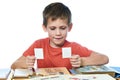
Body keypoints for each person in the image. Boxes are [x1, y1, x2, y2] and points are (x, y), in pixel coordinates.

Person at [11, 2, 109, 70]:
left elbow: (104, 58)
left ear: (69, 27)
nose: (58, 33)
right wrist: (26, 63)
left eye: (62, 28)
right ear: (45, 28)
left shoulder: (73, 47)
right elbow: (14, 65)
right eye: (52, 28)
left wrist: (82, 61)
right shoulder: (39, 45)